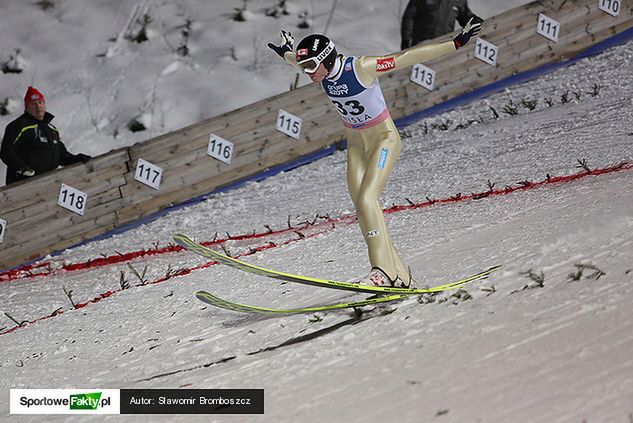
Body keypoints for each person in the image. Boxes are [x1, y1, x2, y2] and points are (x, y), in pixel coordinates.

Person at [267, 18, 482, 287]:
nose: (308, 73)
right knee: (364, 208)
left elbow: (406, 56)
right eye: (305, 67)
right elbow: (297, 62)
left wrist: (455, 42)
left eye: (311, 66)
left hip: (384, 139)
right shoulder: (320, 71)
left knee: (369, 198)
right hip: (356, 145)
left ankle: (381, 271)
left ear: (327, 60)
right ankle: (399, 275)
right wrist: (287, 51)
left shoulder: (362, 67)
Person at [1, 86, 91, 185]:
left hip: (49, 183)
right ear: (26, 107)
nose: (38, 106)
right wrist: (22, 168)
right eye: (33, 104)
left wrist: (77, 159)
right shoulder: (19, 125)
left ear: (44, 105)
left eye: (40, 102)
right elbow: (6, 151)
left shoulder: (51, 129)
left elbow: (62, 156)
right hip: (23, 185)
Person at [401, 0, 482, 49]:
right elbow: (409, 17)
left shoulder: (459, 1)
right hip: (420, 44)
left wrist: (478, 22)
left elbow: (466, 18)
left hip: (442, 47)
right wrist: (406, 40)